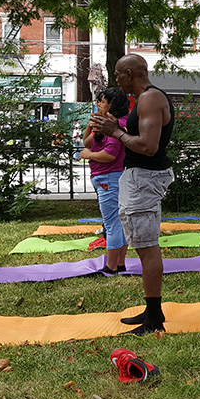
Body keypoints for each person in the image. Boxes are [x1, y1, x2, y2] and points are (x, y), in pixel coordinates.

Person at [91, 54, 175, 335]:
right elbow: (137, 136)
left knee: (147, 247)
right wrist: (115, 126)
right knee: (142, 245)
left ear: (129, 73)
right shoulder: (144, 100)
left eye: (117, 74)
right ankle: (152, 310)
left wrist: (115, 132)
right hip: (139, 177)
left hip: (145, 177)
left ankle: (154, 319)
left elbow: (149, 146)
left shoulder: (150, 99)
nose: (115, 79)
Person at [80, 88, 130, 275]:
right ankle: (119, 264)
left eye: (102, 101)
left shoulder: (115, 125)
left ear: (112, 105)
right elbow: (87, 142)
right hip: (105, 177)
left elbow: (109, 154)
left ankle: (111, 266)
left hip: (110, 177)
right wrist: (91, 122)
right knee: (118, 221)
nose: (99, 104)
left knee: (112, 223)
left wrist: (89, 155)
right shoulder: (106, 123)